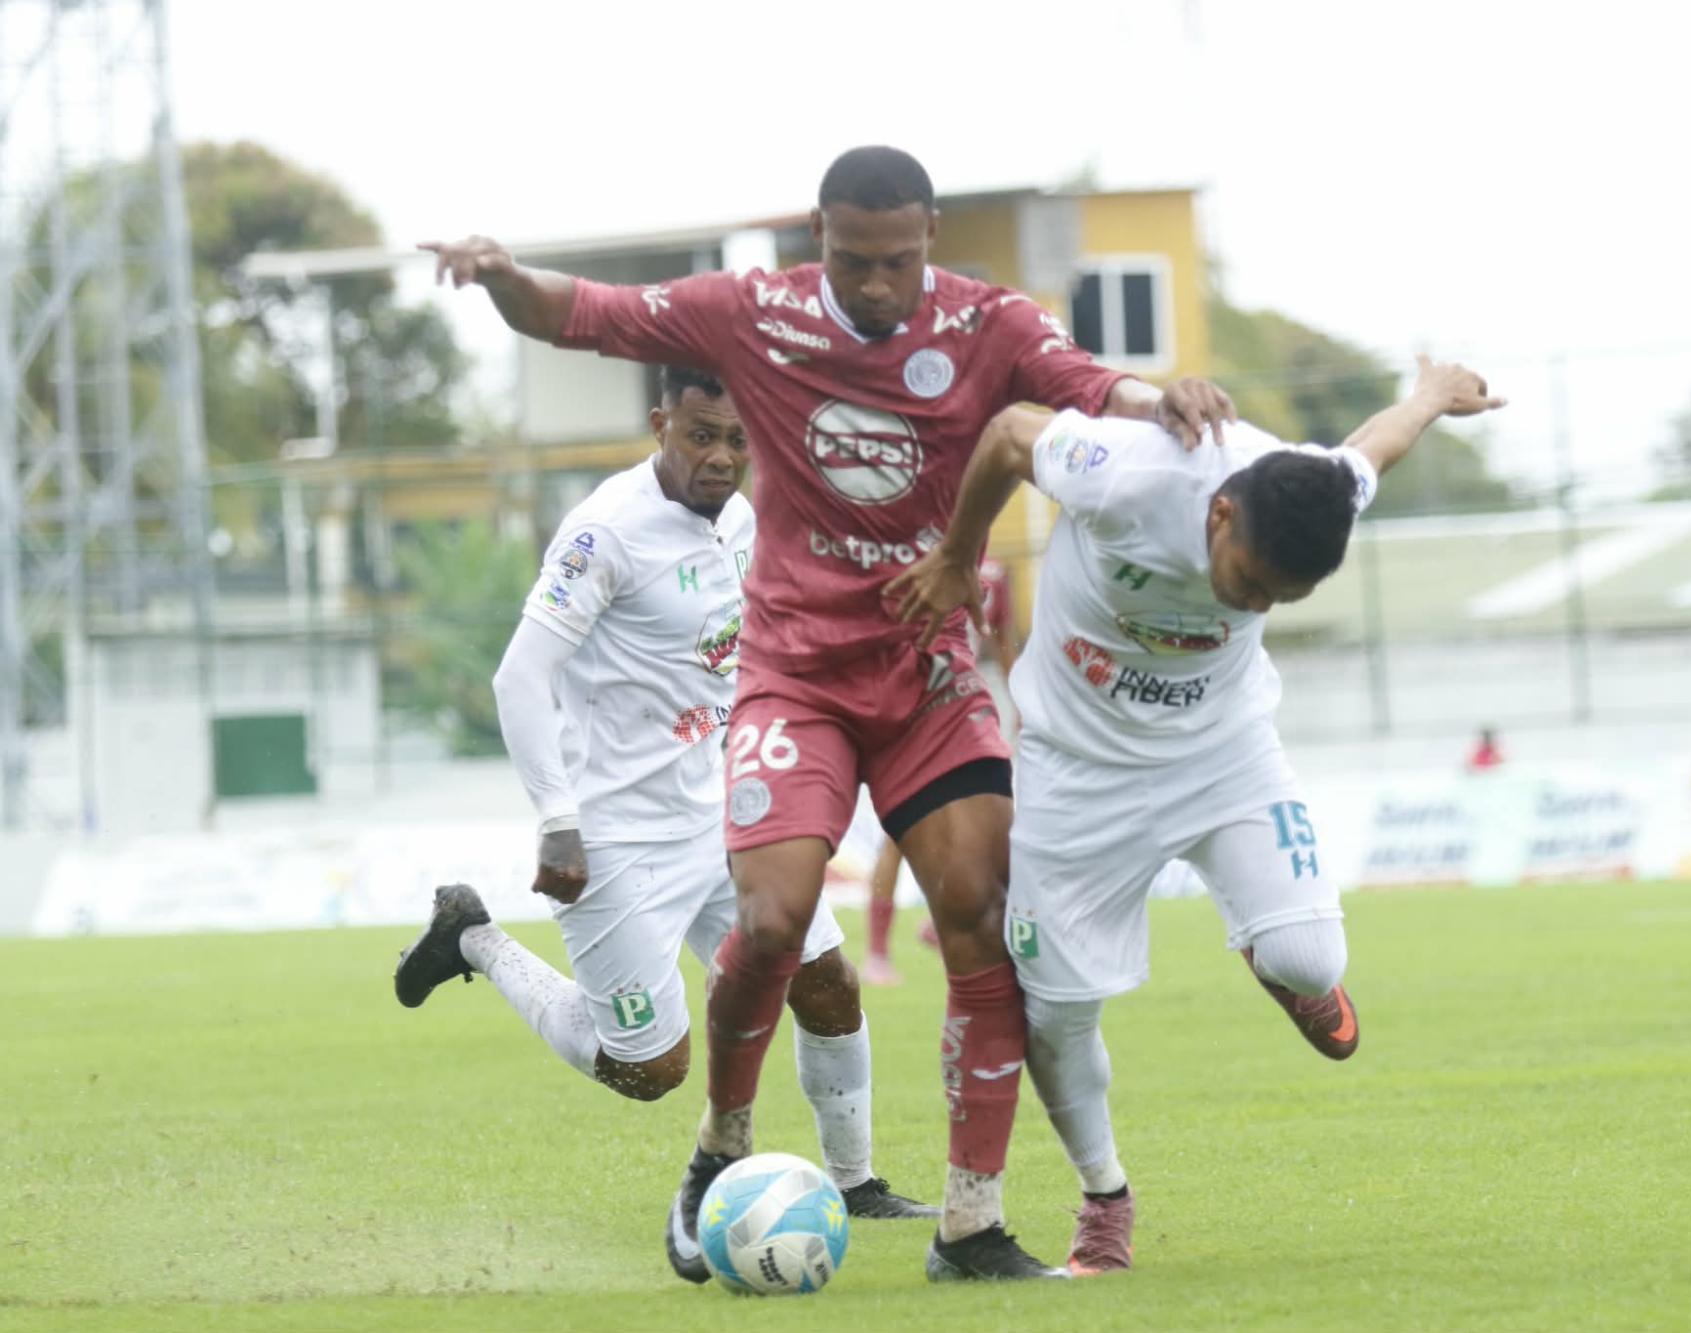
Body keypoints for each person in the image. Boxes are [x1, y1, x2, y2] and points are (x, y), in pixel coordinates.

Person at [420, 145, 1235, 1282]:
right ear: (818, 237)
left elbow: (1090, 383)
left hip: (924, 679)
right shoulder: (754, 320)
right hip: (789, 685)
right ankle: (719, 1148)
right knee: (761, 931)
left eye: (897, 262)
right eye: (853, 261)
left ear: (930, 240)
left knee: (977, 917)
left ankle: (968, 1219)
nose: (875, 289)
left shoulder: (983, 323)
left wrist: (1166, 396)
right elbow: (590, 313)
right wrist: (501, 273)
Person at [886, 356, 1504, 1273]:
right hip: (1077, 771)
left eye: (1277, 600)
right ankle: (1105, 1199)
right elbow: (1013, 430)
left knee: (1311, 957)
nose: (1252, 604)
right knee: (1054, 1016)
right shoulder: (1136, 472)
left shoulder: (1314, 488)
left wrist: (1433, 396)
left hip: (1223, 754)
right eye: (1249, 580)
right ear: (1218, 512)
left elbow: (1375, 444)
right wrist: (956, 554)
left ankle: (1272, 951)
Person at [391, 367, 933, 1254]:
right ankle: (475, 940)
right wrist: (556, 816)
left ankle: (856, 1182)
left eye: (736, 439)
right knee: (647, 1070)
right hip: (614, 835)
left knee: (827, 983)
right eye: (699, 436)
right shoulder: (605, 532)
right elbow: (520, 677)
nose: (720, 457)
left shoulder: (744, 520)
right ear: (659, 426)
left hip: (727, 816)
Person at [864, 557, 1018, 986]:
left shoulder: (993, 574)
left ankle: (947, 920)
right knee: (899, 834)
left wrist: (1017, 699)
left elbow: (1002, 640)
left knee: (985, 825)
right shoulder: (909, 556)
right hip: (908, 708)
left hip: (964, 707)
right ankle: (877, 951)